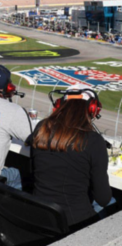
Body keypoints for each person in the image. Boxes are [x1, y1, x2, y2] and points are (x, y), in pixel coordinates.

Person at [25, 84, 113, 226]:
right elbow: (104, 199)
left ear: (60, 104)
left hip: (40, 214)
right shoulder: (94, 141)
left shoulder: (41, 127)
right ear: (93, 109)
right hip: (75, 223)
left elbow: (32, 171)